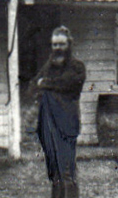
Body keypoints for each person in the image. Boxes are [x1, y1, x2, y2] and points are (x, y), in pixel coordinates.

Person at [27, 26, 86, 198]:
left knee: (67, 170)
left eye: (61, 44)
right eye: (54, 45)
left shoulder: (77, 66)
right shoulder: (48, 66)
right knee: (54, 171)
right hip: (48, 123)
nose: (57, 48)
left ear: (69, 44)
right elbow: (32, 86)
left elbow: (70, 83)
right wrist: (46, 84)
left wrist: (45, 84)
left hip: (67, 122)